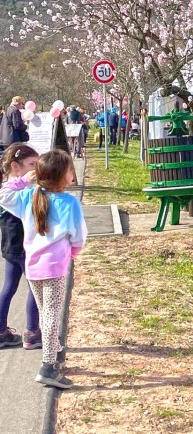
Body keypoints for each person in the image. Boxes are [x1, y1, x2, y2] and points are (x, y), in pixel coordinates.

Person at [0, 149, 87, 389]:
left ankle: (54, 349)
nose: (72, 174)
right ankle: (48, 366)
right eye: (70, 170)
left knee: (44, 310)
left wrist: (22, 181)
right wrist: (72, 253)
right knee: (51, 316)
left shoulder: (29, 196)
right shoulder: (70, 202)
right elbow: (79, 237)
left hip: (33, 266)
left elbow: (4, 195)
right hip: (55, 268)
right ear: (62, 175)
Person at [0, 144, 40, 349]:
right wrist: (26, 181)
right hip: (22, 246)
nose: (36, 169)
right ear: (15, 166)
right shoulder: (10, 190)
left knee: (9, 286)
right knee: (35, 287)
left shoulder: (18, 188)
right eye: (32, 164)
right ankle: (32, 333)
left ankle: (1, 332)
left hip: (10, 246)